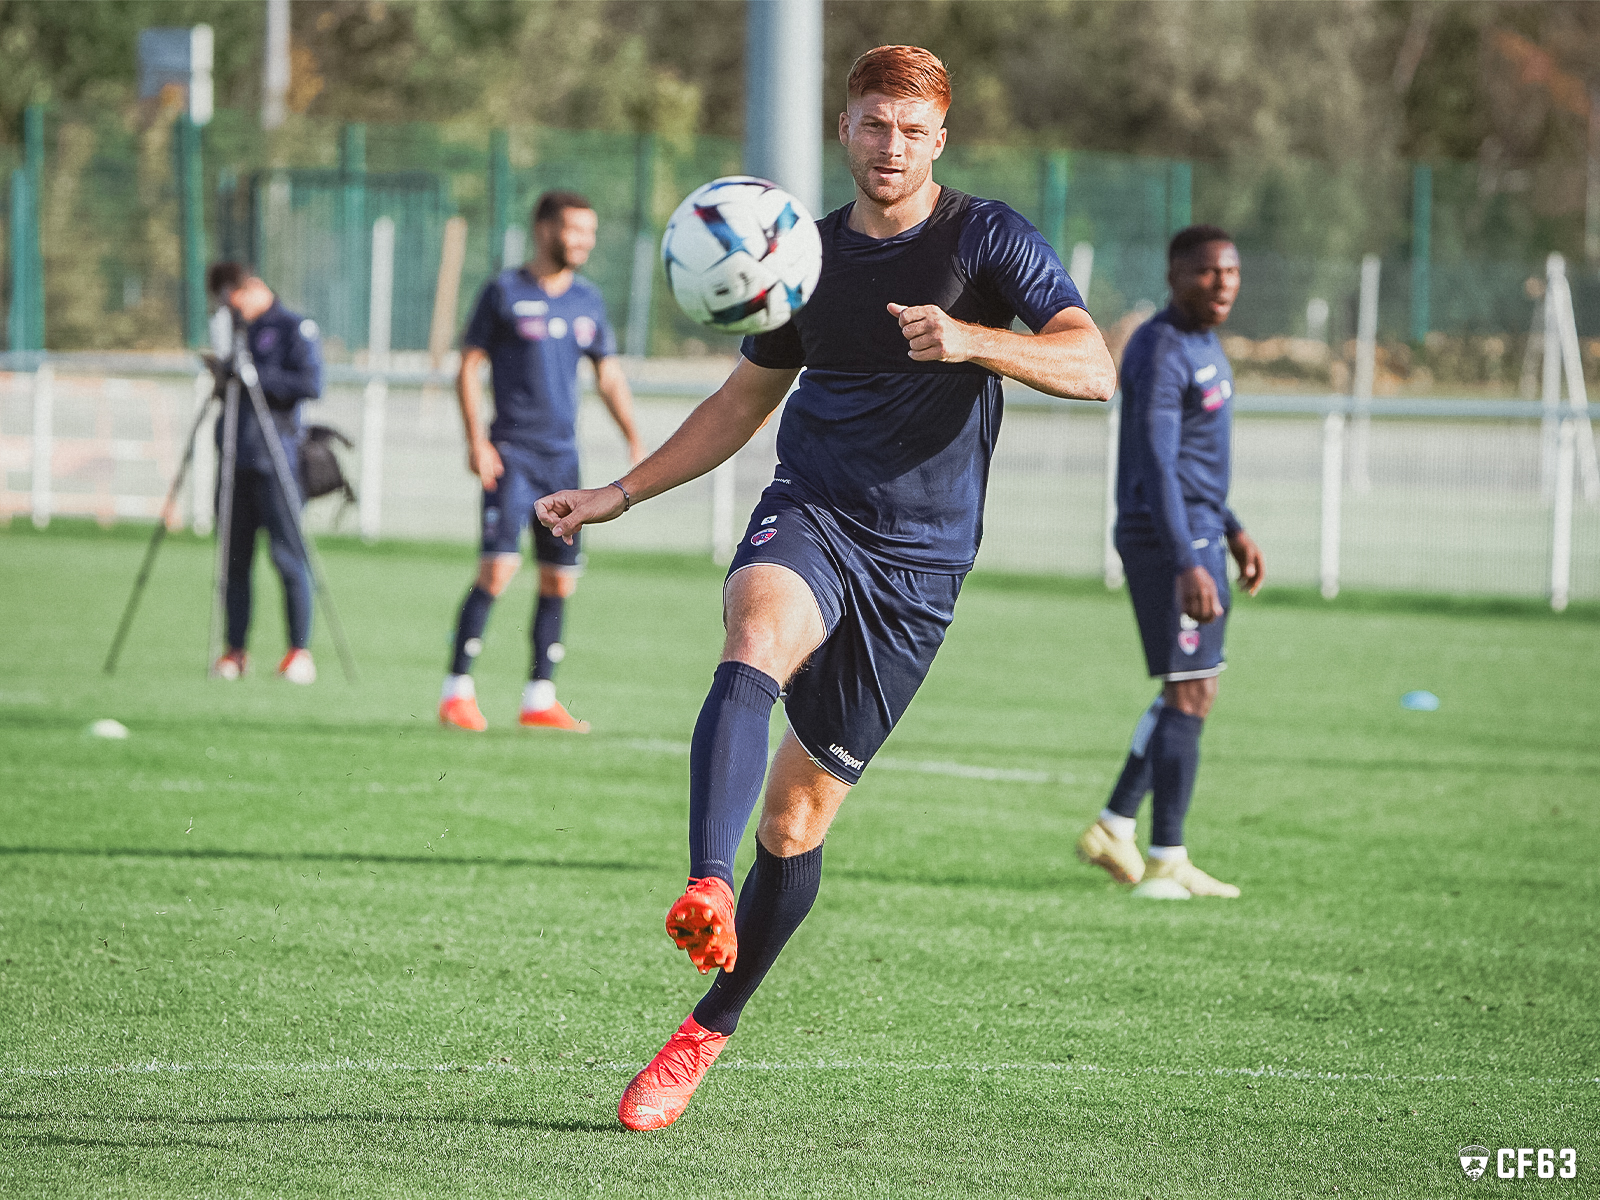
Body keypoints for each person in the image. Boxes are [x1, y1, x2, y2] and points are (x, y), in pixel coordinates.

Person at [536, 45, 1117, 1130]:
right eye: (870, 124)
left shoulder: (987, 238)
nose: (889, 145)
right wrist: (619, 491)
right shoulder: (797, 255)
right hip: (813, 507)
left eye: (910, 128)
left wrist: (974, 342)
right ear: (842, 130)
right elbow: (744, 398)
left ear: (938, 138)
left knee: (797, 824)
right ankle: (706, 884)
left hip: (921, 569)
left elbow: (1094, 366)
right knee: (753, 636)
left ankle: (708, 1025)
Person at [1074, 225, 1266, 898]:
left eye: (1232, 273)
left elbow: (1194, 466)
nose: (1222, 284)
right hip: (1168, 541)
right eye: (1208, 272)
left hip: (1202, 533)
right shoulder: (1158, 348)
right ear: (1174, 273)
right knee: (1190, 687)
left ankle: (1115, 825)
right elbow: (1156, 464)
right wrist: (1188, 560)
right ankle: (1165, 858)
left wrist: (1233, 529)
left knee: (1194, 686)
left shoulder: (1205, 344)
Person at [438, 190, 645, 733]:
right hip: (511, 457)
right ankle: (456, 691)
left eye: (590, 233)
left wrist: (634, 438)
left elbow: (608, 375)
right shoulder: (503, 291)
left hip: (563, 463)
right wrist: (475, 441)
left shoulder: (588, 300)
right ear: (543, 229)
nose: (584, 242)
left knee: (558, 580)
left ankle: (539, 699)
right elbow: (468, 367)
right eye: (575, 230)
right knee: (498, 570)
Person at [205, 262, 323, 685]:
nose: (228, 308)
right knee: (234, 561)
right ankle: (234, 651)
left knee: (288, 558)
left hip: (277, 461)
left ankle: (299, 651)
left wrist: (257, 376)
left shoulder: (293, 327)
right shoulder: (237, 332)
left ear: (250, 288)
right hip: (235, 458)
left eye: (231, 298)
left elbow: (310, 384)